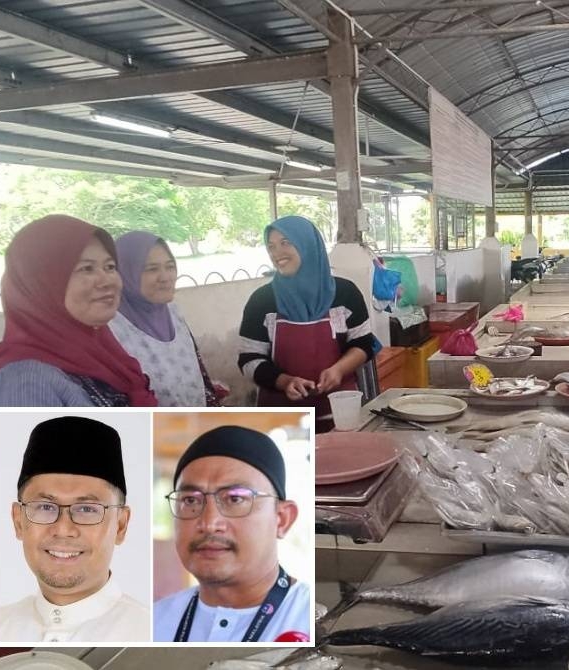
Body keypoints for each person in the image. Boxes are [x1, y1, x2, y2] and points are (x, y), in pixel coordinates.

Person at [0, 215, 156, 481]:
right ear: (40, 284)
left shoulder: (105, 357)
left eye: (110, 266)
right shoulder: (22, 386)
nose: (107, 280)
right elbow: (39, 507)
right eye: (86, 269)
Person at [0, 416, 149, 642]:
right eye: (45, 507)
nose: (64, 529)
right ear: (18, 521)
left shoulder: (151, 632)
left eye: (87, 509)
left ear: (120, 525)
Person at [154, 425, 309, 642]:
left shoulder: (313, 620)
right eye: (190, 500)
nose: (209, 523)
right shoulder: (151, 623)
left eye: (235, 499)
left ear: (282, 519)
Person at [237, 216, 375, 431]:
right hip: (284, 422)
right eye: (271, 246)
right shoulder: (262, 301)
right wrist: (285, 381)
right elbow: (248, 360)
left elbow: (364, 344)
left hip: (339, 415)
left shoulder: (345, 293)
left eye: (286, 243)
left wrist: (339, 370)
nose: (277, 253)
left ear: (308, 245)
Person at [109, 231, 223, 407]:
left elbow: (200, 374)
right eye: (152, 269)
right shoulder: (112, 329)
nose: (165, 277)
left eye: (170, 266)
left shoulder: (173, 313)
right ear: (125, 273)